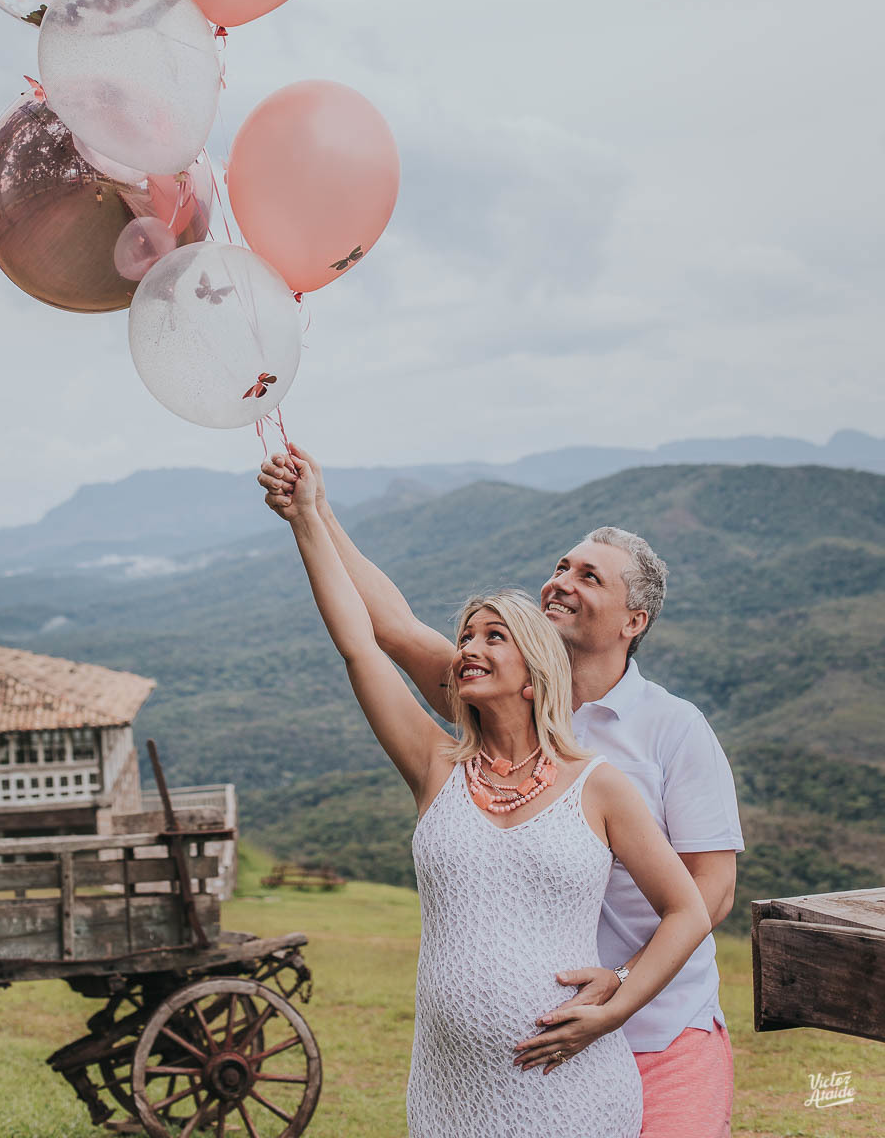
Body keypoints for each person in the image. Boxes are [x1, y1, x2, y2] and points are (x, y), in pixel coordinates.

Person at [260, 444, 745, 1138]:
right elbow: (379, 636)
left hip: (658, 1026)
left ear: (632, 621)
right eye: (559, 566)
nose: (561, 581)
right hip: (461, 1081)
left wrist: (620, 990)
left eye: (589, 576)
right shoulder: (461, 731)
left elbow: (707, 897)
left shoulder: (665, 735)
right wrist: (314, 514)